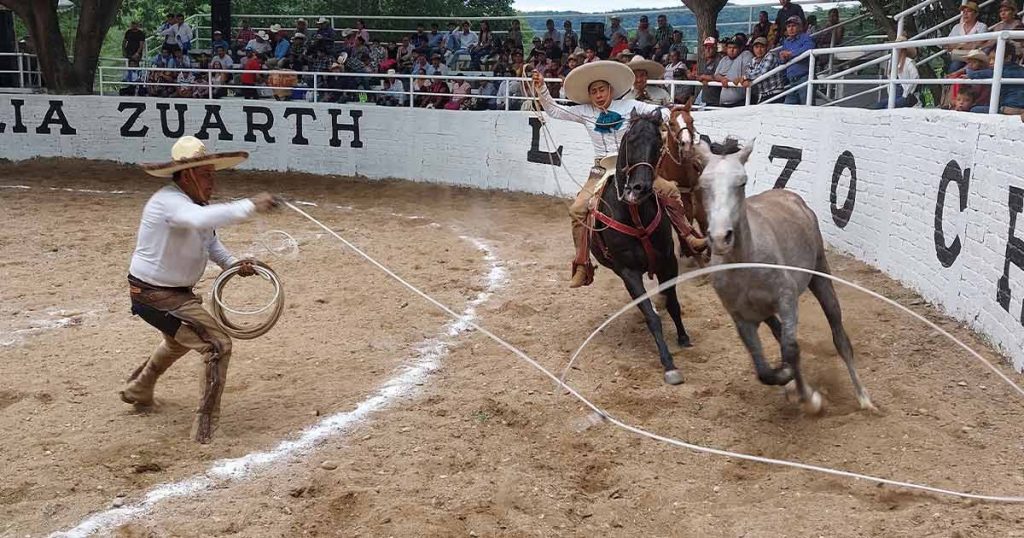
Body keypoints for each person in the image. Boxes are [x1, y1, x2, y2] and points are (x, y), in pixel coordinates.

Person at [122, 136, 278, 444]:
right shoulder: (169, 201)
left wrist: (233, 264)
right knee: (217, 344)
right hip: (155, 294)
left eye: (212, 175)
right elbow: (199, 220)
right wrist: (250, 205)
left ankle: (140, 387)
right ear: (188, 175)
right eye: (206, 175)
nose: (212, 182)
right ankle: (205, 427)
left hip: (169, 293)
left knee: (180, 341)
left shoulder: (194, 204)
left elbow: (209, 241)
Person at [530, 61, 706, 288]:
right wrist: (541, 88)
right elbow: (554, 110)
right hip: (601, 169)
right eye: (594, 92)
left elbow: (660, 112)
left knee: (670, 190)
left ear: (611, 90)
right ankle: (583, 263)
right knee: (578, 209)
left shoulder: (629, 105)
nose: (598, 95)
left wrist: (668, 114)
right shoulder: (584, 112)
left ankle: (688, 236)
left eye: (602, 90)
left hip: (634, 167)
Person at [779, 16, 815, 104]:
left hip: (805, 78)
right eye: (788, 26)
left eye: (793, 26)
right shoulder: (786, 42)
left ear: (800, 27)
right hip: (792, 80)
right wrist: (782, 57)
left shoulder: (806, 37)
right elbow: (782, 61)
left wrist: (791, 54)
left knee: (807, 106)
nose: (791, 28)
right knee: (788, 108)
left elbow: (809, 48)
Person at [710, 38, 753, 107]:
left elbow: (749, 72)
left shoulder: (745, 55)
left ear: (741, 48)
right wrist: (722, 79)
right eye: (729, 47)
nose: (732, 50)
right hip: (723, 102)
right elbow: (716, 75)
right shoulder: (724, 59)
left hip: (740, 101)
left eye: (735, 47)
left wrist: (740, 78)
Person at [740, 37, 784, 104]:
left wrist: (745, 77)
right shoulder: (753, 60)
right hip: (763, 95)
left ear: (767, 48)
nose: (759, 50)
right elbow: (748, 71)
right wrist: (748, 79)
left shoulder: (770, 56)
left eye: (762, 47)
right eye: (756, 47)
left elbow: (761, 73)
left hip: (775, 94)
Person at [947, 2, 988, 72]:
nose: (965, 14)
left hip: (974, 57)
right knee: (954, 67)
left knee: (956, 67)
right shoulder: (957, 27)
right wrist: (965, 45)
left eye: (969, 11)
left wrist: (958, 46)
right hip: (959, 56)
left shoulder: (982, 26)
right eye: (964, 11)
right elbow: (948, 45)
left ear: (976, 14)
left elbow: (978, 44)